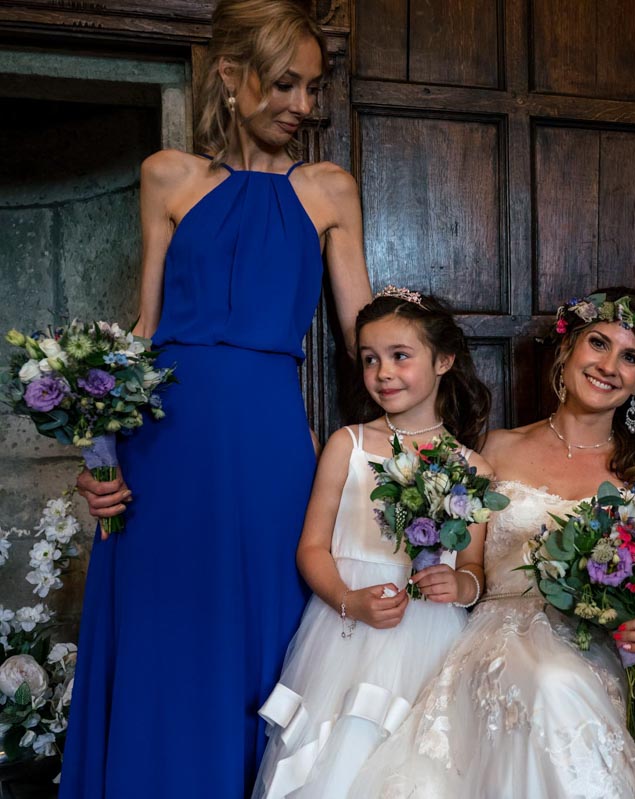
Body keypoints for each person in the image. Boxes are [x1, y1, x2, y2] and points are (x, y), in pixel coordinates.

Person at [61, 2, 372, 796]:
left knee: (265, 631)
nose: (302, 106)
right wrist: (96, 455)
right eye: (284, 85)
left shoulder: (330, 190)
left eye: (312, 88)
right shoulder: (168, 175)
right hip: (162, 443)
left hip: (269, 438)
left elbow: (365, 337)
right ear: (231, 79)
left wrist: (425, 444)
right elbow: (143, 329)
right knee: (165, 635)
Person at [350, 288, 635, 798]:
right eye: (598, 343)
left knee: (564, 683)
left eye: (630, 357)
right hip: (501, 636)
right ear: (567, 351)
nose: (609, 365)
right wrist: (450, 580)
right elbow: (472, 568)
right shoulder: (494, 449)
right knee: (551, 682)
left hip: (600, 649)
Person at [251, 289, 491, 799]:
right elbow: (311, 548)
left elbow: (473, 566)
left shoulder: (472, 467)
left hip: (431, 633)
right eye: (370, 359)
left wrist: (462, 585)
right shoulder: (349, 445)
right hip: (346, 629)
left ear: (444, 360)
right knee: (341, 755)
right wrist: (347, 600)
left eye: (400, 356)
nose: (383, 372)